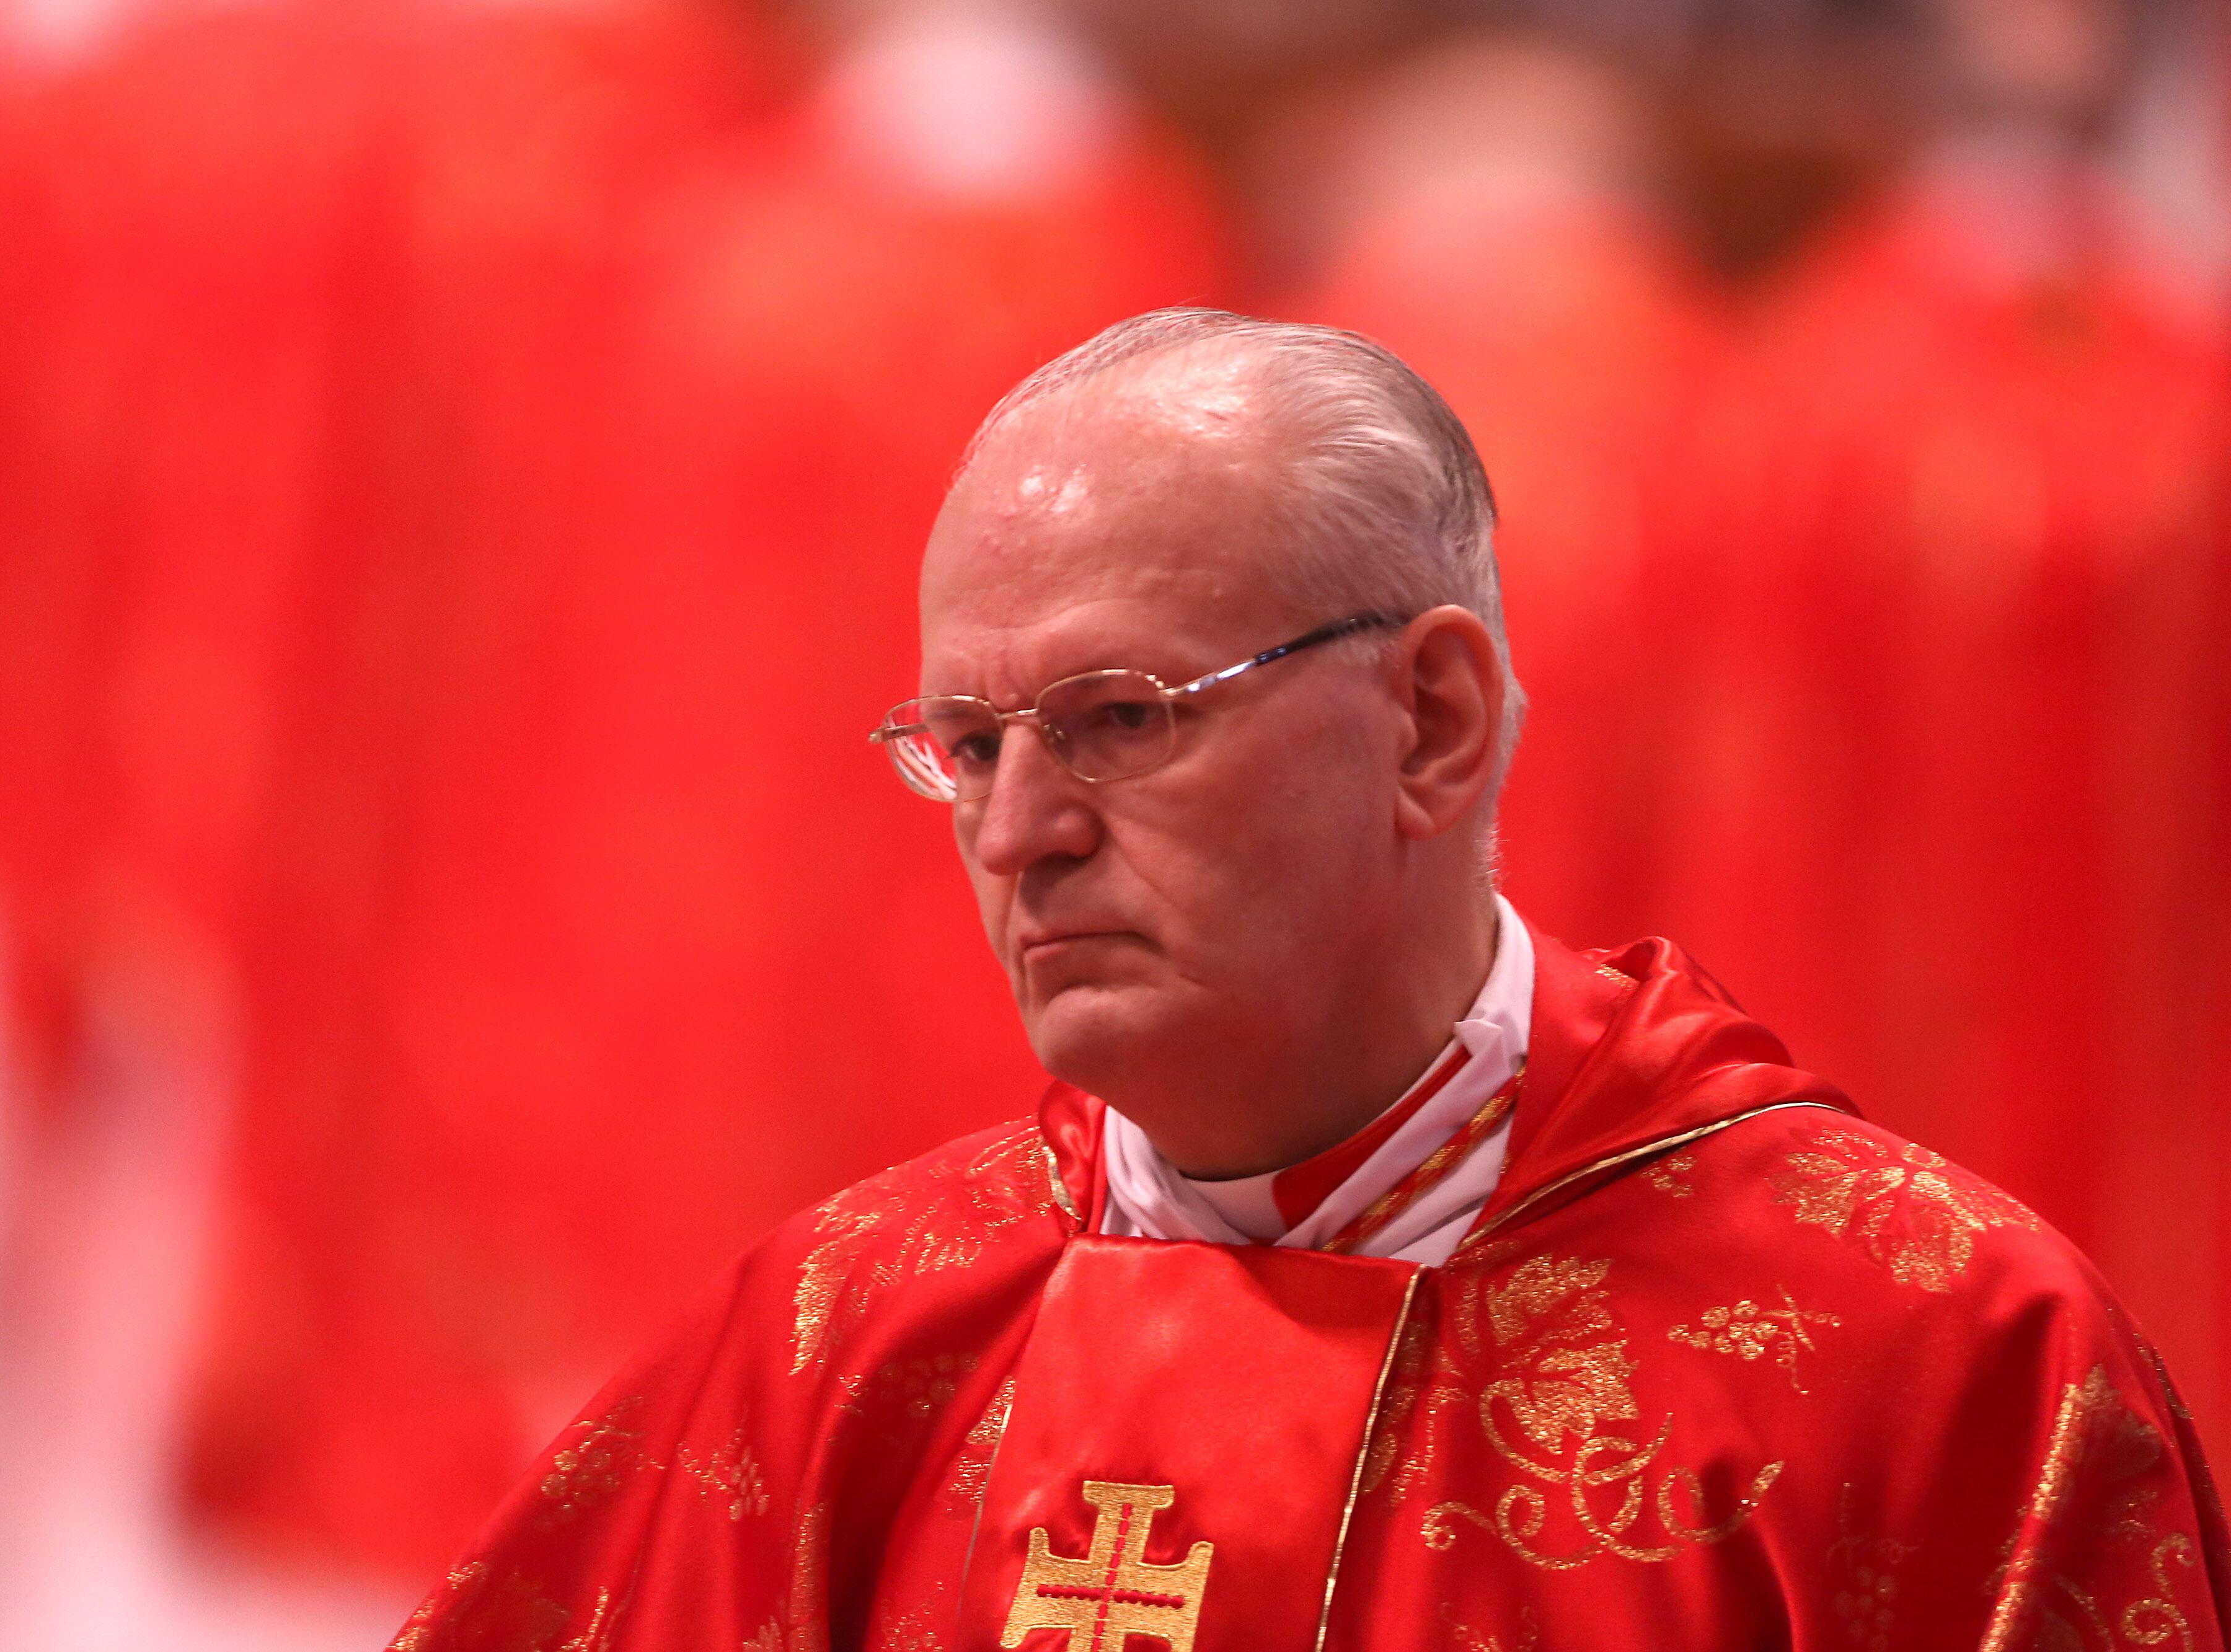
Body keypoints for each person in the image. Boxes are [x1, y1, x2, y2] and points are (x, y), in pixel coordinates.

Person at [390, 309, 2227, 1651]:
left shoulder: (1922, 1354)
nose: (1020, 827)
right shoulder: (839, 1342)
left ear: (1430, 719)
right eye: (965, 742)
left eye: (1116, 718)